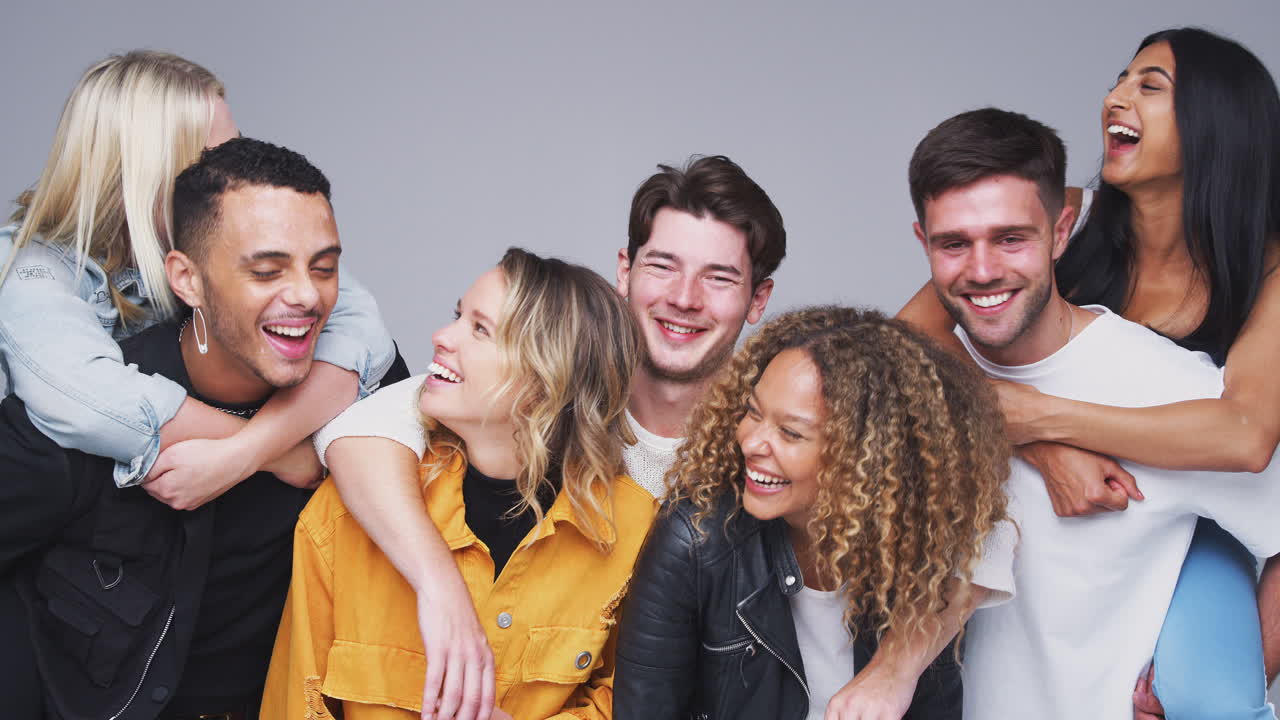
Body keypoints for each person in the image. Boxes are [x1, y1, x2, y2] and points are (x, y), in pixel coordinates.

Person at [306, 154, 786, 719]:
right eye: (663, 265)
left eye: (719, 277)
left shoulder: (771, 456)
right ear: (625, 271)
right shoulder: (538, 406)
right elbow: (360, 430)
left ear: (759, 299)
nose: (684, 297)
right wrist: (439, 584)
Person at [899, 28, 1280, 718]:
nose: (1115, 97)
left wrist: (1045, 419)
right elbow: (910, 340)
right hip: (1093, 511)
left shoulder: (1269, 265)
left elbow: (1247, 438)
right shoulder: (1060, 212)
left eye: (1149, 85)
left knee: (1210, 699)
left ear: (1215, 125)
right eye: (1120, 77)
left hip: (1203, 512)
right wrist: (1045, 451)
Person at [0, 138, 409, 719]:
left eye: (324, 268)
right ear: (186, 280)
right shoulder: (81, 427)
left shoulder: (369, 393)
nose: (305, 295)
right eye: (267, 270)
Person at [262, 248, 654, 719]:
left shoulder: (636, 534)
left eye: (479, 329)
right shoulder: (346, 514)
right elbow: (295, 702)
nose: (441, 337)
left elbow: (635, 702)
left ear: (546, 381)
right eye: (457, 316)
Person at [0, 50, 396, 509]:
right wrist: (285, 455)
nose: (235, 172)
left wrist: (243, 454)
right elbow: (85, 402)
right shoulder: (27, 267)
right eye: (215, 155)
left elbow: (361, 335)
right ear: (146, 169)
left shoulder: (233, 249)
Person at [613, 306, 1013, 720]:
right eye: (752, 412)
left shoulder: (918, 536)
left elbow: (993, 536)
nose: (751, 443)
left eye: (791, 432)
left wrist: (895, 670)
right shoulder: (695, 538)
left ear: (867, 456)